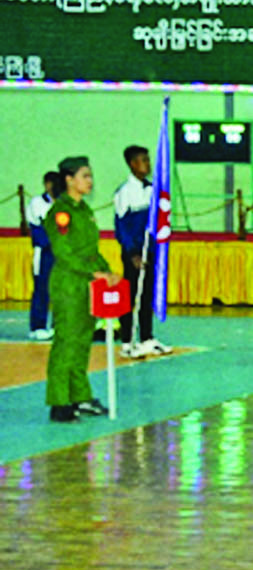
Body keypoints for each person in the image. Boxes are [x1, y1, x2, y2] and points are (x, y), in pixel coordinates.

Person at [44, 156, 122, 422]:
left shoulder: (84, 210)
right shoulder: (61, 213)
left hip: (88, 284)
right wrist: (92, 272)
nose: (90, 181)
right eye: (85, 176)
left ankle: (80, 396)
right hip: (69, 284)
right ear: (69, 180)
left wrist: (107, 271)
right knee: (66, 342)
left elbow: (91, 250)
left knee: (82, 342)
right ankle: (59, 402)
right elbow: (63, 252)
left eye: (90, 176)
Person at [113, 145, 171, 358]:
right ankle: (127, 341)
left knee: (147, 295)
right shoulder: (124, 192)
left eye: (148, 160)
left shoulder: (152, 189)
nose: (148, 164)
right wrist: (132, 253)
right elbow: (121, 227)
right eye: (143, 160)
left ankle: (147, 338)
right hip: (135, 253)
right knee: (130, 297)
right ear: (132, 164)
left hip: (151, 249)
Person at [26, 171, 60, 340]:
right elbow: (37, 229)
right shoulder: (36, 203)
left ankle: (57, 325)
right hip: (44, 252)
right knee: (42, 290)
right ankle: (37, 326)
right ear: (46, 185)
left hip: (62, 253)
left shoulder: (65, 203)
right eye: (53, 184)